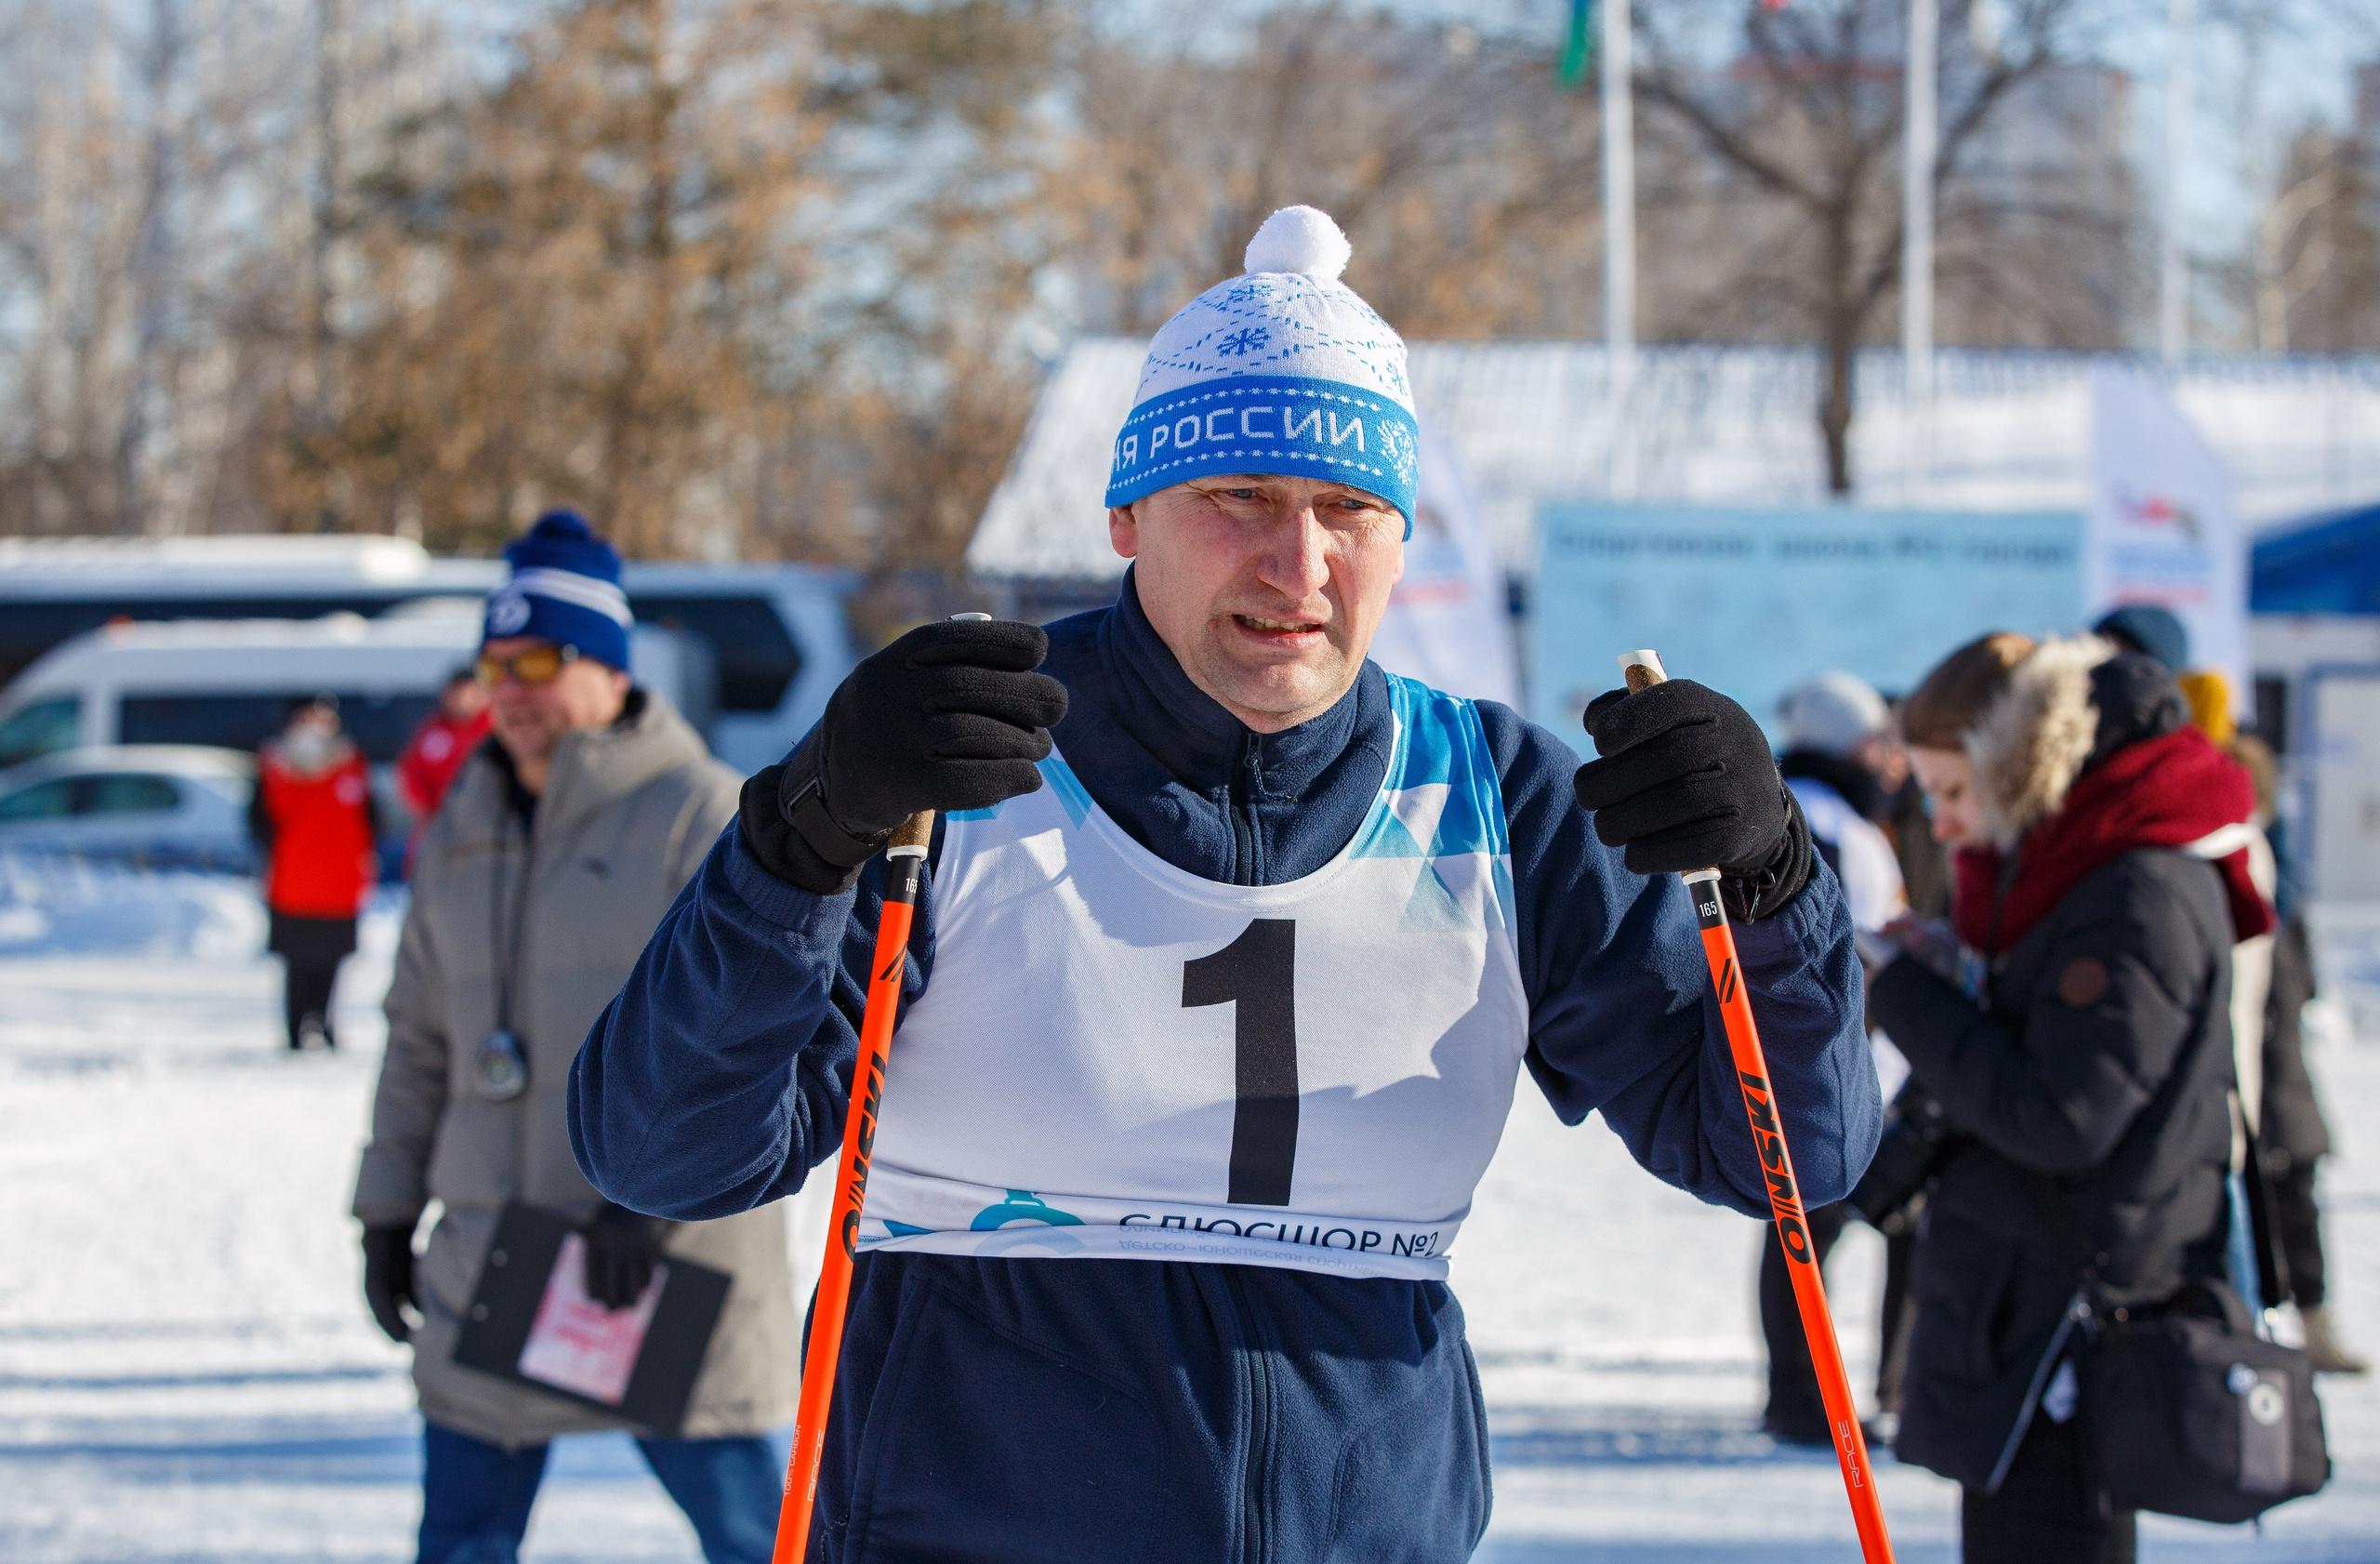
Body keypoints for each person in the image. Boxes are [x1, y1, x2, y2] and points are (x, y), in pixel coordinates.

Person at [570, 207, 1879, 1562]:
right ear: (1130, 510)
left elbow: (1791, 1152)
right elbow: (666, 1148)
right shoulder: (960, 763)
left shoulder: (1497, 795)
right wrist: (802, 832)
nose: (1296, 565)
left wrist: (1779, 877)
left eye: (1348, 508)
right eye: (1240, 496)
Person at [351, 511, 799, 1564]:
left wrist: (644, 1209)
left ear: (607, 668)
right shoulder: (463, 815)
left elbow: (754, 1033)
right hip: (493, 1257)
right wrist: (384, 1209)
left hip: (655, 1260)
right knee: (461, 1539)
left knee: (748, 1536)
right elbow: (420, 1033)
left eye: (539, 659)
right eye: (494, 662)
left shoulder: (696, 812)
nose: (509, 686)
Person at [1867, 630, 2271, 1563]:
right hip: (2023, 1310)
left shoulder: (2133, 885)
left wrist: (1904, 989)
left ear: (2020, 763)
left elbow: (2063, 1113)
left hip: (2069, 1320)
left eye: (1956, 791)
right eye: (1928, 793)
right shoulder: (2068, 870)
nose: (1943, 822)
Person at [1761, 672, 1911, 1445]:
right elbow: (1829, 947)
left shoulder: (1820, 810)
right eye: (1881, 742)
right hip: (1838, 1068)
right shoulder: (1818, 819)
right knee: (1816, 1234)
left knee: (1806, 1237)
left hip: (1841, 1065)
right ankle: (1821, 1400)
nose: (1894, 760)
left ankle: (1814, 1397)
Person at [250, 696, 378, 1051]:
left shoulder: (351, 761)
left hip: (339, 882)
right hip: (294, 881)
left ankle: (325, 1023)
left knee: (332, 961)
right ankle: (296, 1027)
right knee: (298, 961)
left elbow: (370, 818)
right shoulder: (275, 764)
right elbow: (260, 822)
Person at [398, 669, 494, 825]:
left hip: (485, 822)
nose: (462, 700)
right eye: (457, 694)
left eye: (469, 694)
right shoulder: (432, 730)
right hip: (439, 823)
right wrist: (429, 811)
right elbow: (411, 773)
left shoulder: (494, 729)